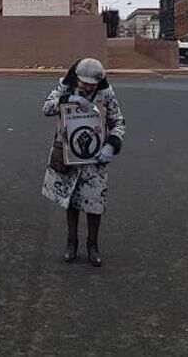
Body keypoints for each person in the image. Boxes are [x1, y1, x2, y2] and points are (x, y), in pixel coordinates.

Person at [42, 59, 125, 267]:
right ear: (76, 78)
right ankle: (71, 243)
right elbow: (46, 108)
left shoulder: (106, 94)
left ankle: (92, 245)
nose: (88, 87)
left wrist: (112, 145)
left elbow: (118, 122)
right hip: (69, 154)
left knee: (94, 203)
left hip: (95, 157)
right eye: (84, 82)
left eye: (92, 84)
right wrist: (67, 99)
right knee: (70, 201)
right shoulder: (65, 86)